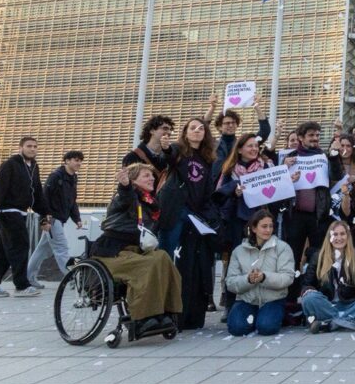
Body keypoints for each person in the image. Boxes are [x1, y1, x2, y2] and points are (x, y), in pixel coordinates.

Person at [92, 164, 181, 334]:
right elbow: (127, 197)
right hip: (112, 252)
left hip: (134, 251)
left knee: (162, 257)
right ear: (133, 180)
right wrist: (124, 185)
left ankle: (167, 311)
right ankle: (141, 318)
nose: (152, 178)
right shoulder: (125, 195)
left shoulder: (150, 202)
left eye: (152, 175)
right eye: (146, 176)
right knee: (146, 266)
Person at [157, 118, 220, 329]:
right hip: (176, 210)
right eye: (193, 128)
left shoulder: (207, 157)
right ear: (185, 132)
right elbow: (166, 158)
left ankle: (184, 309)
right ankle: (161, 306)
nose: (197, 131)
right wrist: (165, 148)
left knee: (188, 261)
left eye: (201, 128)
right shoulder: (178, 150)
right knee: (167, 256)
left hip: (195, 213)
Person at [215, 132, 284, 317]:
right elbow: (219, 196)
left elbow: (278, 190)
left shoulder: (266, 166)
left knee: (266, 260)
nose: (254, 149)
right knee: (235, 263)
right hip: (237, 222)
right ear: (239, 149)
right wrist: (233, 193)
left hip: (261, 221)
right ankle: (230, 305)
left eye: (255, 146)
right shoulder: (230, 170)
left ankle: (264, 302)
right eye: (249, 146)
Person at [0, 136, 48, 298]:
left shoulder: (33, 167)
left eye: (35, 146)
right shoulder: (9, 165)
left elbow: (37, 192)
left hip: (21, 212)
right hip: (8, 211)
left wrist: (44, 216)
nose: (32, 149)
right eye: (29, 146)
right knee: (20, 245)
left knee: (3, 251)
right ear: (20, 148)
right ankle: (22, 285)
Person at [300, 221, 355, 332]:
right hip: (326, 305)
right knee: (309, 298)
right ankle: (347, 320)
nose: (339, 238)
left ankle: (330, 323)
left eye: (342, 234)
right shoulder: (318, 256)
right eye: (335, 234)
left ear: (348, 236)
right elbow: (307, 284)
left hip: (349, 305)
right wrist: (308, 291)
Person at [281, 122, 336, 291]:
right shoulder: (289, 157)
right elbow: (278, 187)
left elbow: (336, 176)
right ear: (300, 138)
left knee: (319, 255)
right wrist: (284, 168)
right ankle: (291, 295)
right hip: (295, 215)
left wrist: (334, 157)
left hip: (317, 216)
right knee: (293, 255)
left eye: (318, 135)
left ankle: (317, 291)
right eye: (311, 135)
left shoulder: (324, 156)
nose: (315, 138)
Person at [224, 210, 294, 336]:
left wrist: (264, 277)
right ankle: (257, 317)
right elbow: (230, 282)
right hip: (247, 299)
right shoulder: (239, 251)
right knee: (236, 328)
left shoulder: (283, 248)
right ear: (254, 228)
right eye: (264, 226)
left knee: (266, 328)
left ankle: (273, 316)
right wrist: (248, 280)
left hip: (273, 299)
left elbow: (288, 277)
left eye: (271, 226)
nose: (268, 230)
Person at [25, 150, 84, 287]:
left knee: (42, 250)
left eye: (80, 160)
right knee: (61, 248)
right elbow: (44, 198)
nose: (79, 163)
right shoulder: (56, 176)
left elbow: (72, 200)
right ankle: (73, 279)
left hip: (59, 219)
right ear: (67, 161)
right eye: (76, 160)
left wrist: (77, 218)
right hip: (52, 219)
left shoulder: (73, 177)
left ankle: (28, 278)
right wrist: (44, 219)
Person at [213, 97, 271, 180]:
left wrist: (256, 107)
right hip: (213, 188)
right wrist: (212, 108)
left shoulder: (243, 144)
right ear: (219, 127)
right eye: (227, 123)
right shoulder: (212, 145)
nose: (231, 125)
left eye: (234, 123)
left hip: (236, 186)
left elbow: (265, 131)